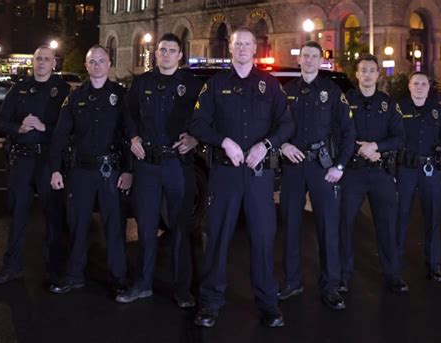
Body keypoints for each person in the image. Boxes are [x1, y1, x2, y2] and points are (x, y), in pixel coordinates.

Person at [190, 27, 294, 328]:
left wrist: (266, 145)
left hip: (259, 176)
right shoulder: (215, 84)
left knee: (263, 239)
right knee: (218, 237)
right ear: (230, 48)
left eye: (248, 44)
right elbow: (197, 123)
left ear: (255, 49)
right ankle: (209, 303)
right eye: (238, 44)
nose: (243, 48)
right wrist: (223, 141)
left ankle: (268, 304)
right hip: (225, 173)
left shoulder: (270, 84)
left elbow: (287, 125)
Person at [115, 33, 203, 307]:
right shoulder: (141, 84)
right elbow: (127, 116)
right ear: (156, 54)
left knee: (179, 228)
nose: (165, 54)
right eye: (161, 50)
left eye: (171, 50)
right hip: (148, 165)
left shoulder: (192, 85)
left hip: (177, 163)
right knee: (146, 227)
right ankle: (142, 284)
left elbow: (206, 119)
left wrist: (195, 139)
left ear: (180, 55)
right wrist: (132, 138)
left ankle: (182, 289)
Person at [277, 41, 355, 310]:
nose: (309, 60)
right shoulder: (285, 92)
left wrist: (340, 166)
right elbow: (274, 127)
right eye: (305, 56)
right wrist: (283, 145)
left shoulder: (332, 92)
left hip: (324, 169)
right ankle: (292, 281)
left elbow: (348, 132)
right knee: (290, 226)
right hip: (293, 167)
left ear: (320, 61)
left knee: (327, 229)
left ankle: (331, 286)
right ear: (299, 60)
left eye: (314, 56)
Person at [49, 45, 131, 294]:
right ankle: (74, 275)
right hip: (81, 172)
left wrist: (128, 171)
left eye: (101, 61)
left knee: (114, 226)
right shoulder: (74, 97)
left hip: (111, 171)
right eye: (91, 61)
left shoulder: (120, 95)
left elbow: (129, 134)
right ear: (86, 66)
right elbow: (60, 135)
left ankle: (119, 278)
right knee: (77, 224)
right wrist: (55, 169)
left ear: (109, 64)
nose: (96, 65)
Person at [0, 45, 70, 284]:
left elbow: (70, 129)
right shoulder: (19, 88)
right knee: (17, 213)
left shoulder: (63, 89)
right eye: (38, 59)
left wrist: (43, 127)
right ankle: (11, 266)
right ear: (33, 62)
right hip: (22, 159)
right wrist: (19, 127)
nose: (41, 63)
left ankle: (54, 269)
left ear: (54, 63)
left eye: (46, 59)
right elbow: (1, 120)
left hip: (47, 160)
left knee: (52, 214)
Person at [339, 54, 408, 294]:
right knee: (345, 225)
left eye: (372, 70)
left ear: (378, 75)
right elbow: (337, 134)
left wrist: (377, 147)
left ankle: (393, 275)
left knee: (387, 226)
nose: (367, 74)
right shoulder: (346, 100)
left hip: (381, 174)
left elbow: (400, 137)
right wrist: (362, 148)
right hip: (353, 173)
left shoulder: (388, 103)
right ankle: (343, 275)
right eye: (363, 70)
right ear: (356, 74)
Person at [396, 71, 441, 282]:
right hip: (406, 170)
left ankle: (434, 265)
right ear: (409, 86)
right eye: (415, 83)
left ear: (428, 88)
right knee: (400, 217)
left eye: (423, 84)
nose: (419, 87)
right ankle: (396, 266)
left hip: (431, 170)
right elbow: (392, 138)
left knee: (433, 220)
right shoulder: (399, 109)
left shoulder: (438, 111)